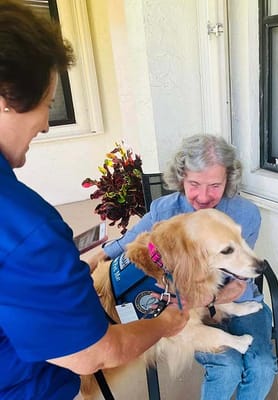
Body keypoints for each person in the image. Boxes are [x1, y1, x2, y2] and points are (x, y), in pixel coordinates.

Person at [0, 2, 189, 399]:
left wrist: (58, 278)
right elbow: (93, 354)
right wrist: (166, 324)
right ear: (5, 98)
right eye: (47, 103)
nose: (47, 123)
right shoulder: (25, 225)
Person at [90, 134, 278, 399]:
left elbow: (240, 281)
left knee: (262, 366)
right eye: (194, 184)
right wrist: (88, 263)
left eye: (215, 185)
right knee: (227, 366)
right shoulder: (165, 211)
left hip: (228, 300)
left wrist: (204, 298)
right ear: (181, 179)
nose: (203, 196)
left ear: (228, 181)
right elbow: (125, 244)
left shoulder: (245, 215)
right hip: (184, 312)